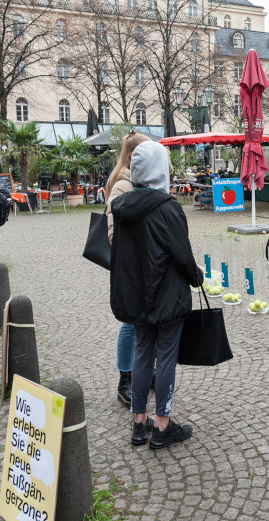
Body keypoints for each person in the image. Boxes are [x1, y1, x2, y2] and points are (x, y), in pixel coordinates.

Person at [110, 141, 204, 449]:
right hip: (166, 296)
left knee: (141, 354)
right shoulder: (168, 207)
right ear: (160, 170)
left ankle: (139, 423)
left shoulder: (123, 206)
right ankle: (162, 426)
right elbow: (183, 255)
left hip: (136, 295)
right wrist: (196, 276)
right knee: (165, 358)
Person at [105, 131, 149, 406]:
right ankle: (126, 378)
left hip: (142, 263)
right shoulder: (123, 184)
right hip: (130, 265)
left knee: (144, 318)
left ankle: (144, 370)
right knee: (131, 322)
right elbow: (113, 233)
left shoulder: (136, 181)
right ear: (134, 157)